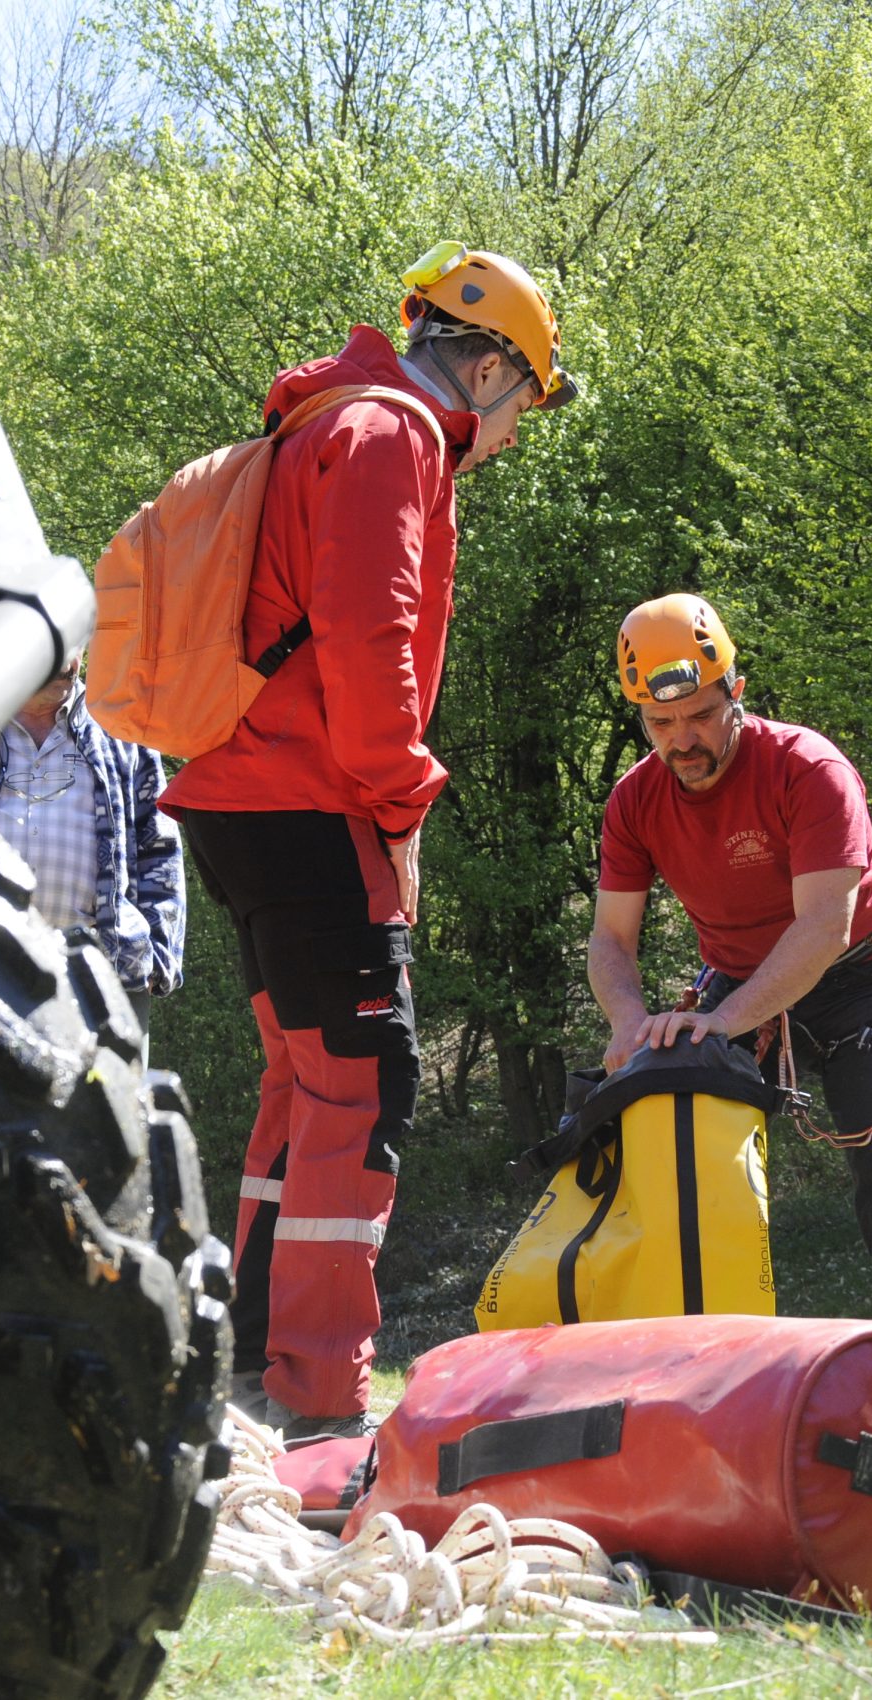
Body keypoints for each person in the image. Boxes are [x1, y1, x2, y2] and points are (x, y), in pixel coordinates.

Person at [167, 242, 576, 1439]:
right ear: (491, 366)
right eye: (524, 405)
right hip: (314, 799)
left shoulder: (321, 422)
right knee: (363, 1083)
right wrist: (401, 802)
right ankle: (314, 1394)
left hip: (241, 801)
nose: (509, 437)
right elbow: (370, 640)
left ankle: (247, 1362)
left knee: (304, 1083)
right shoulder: (394, 436)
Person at [589, 594, 872, 1343]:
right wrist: (631, 1025)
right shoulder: (635, 800)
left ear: (736, 690)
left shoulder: (807, 768)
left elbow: (824, 927)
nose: (683, 740)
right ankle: (699, 1367)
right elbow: (612, 938)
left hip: (859, 974)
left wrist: (720, 1023)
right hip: (739, 984)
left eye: (700, 715)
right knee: (677, 1158)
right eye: (661, 724)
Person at [0, 655, 186, 1020]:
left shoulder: (121, 731)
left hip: (104, 977)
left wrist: (157, 955)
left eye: (75, 646)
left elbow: (160, 847)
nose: (68, 661)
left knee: (109, 1080)